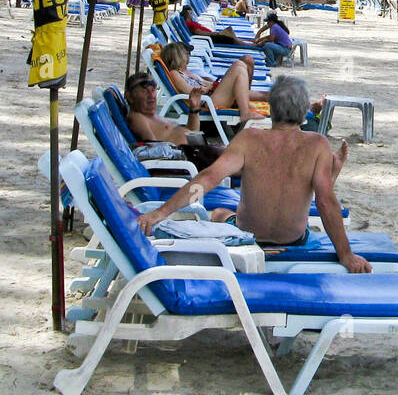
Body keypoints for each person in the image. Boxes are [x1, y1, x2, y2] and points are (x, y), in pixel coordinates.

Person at [137, 76, 370, 269]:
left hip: (247, 234)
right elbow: (326, 202)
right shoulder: (317, 144)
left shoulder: (250, 139)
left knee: (218, 212)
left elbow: (208, 179)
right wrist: (346, 254)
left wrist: (161, 212)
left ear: (272, 109)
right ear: (302, 113)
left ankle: (328, 176)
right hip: (293, 239)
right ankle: (330, 174)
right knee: (321, 189)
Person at [124, 70, 225, 171]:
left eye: (153, 90)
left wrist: (194, 109)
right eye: (145, 91)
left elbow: (192, 132)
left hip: (198, 153)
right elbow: (155, 150)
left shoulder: (153, 118)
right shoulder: (137, 117)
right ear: (130, 97)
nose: (151, 96)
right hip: (189, 160)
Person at [159, 40, 270, 124]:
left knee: (243, 64)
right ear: (179, 56)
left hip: (212, 95)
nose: (189, 56)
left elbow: (200, 83)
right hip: (208, 101)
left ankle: (276, 101)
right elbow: (190, 92)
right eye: (186, 54)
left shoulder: (186, 71)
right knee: (238, 66)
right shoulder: (174, 73)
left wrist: (208, 83)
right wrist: (207, 87)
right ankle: (245, 112)